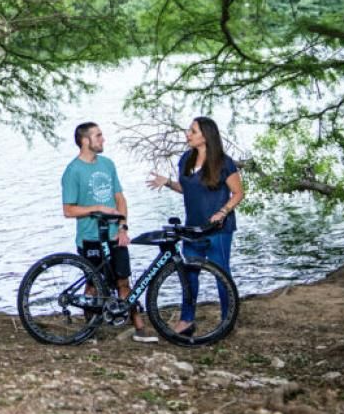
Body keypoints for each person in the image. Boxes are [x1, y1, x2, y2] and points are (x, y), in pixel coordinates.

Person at [146, 116, 244, 334]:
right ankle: (186, 320)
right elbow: (187, 189)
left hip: (218, 230)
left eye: (193, 131)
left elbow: (238, 193)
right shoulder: (186, 160)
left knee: (221, 274)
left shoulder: (223, 162)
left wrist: (223, 212)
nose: (187, 134)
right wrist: (169, 183)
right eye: (189, 131)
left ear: (206, 136)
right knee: (188, 274)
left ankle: (228, 320)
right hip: (192, 229)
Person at [61, 122, 158, 343]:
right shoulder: (73, 171)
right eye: (98, 135)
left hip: (115, 235)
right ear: (85, 141)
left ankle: (139, 328)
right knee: (93, 284)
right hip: (90, 237)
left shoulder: (107, 164)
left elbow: (120, 199)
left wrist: (123, 227)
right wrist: (96, 208)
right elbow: (68, 210)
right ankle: (89, 331)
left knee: (124, 281)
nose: (103, 139)